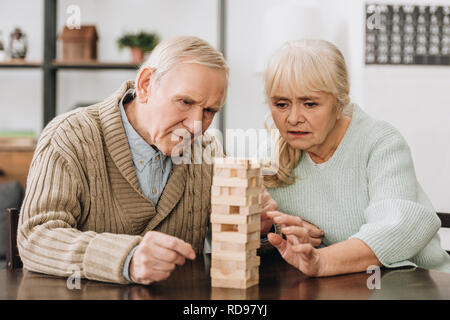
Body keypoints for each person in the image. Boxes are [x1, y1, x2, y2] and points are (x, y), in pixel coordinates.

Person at [18, 36, 233, 285]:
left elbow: (228, 241)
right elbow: (36, 237)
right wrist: (126, 259)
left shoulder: (207, 149)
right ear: (145, 85)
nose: (197, 126)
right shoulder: (69, 136)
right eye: (185, 102)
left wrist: (255, 227)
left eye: (209, 111)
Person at [260, 39, 450, 276]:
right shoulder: (270, 157)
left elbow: (396, 227)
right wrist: (277, 230)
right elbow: (244, 231)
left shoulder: (381, 143)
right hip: (334, 288)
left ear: (339, 102)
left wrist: (322, 261)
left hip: (419, 284)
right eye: (281, 104)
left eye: (310, 104)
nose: (293, 118)